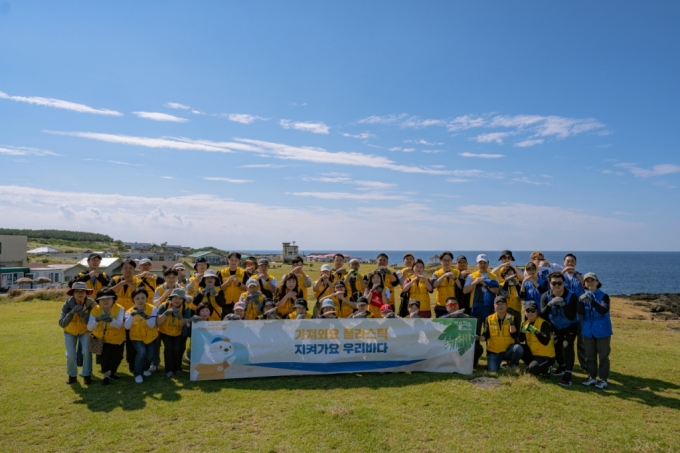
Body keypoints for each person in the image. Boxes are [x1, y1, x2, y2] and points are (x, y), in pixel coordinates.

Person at [541, 272, 579, 386]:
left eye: (559, 283)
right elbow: (542, 315)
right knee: (557, 345)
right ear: (550, 284)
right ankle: (562, 366)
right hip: (555, 325)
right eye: (554, 283)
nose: (557, 285)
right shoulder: (545, 296)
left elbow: (572, 315)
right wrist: (549, 305)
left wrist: (563, 305)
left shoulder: (571, 296)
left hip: (570, 325)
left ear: (564, 283)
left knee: (567, 345)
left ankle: (568, 374)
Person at [578, 273, 612, 390]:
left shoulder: (604, 296)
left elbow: (603, 309)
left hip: (602, 331)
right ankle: (591, 377)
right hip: (588, 331)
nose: (590, 283)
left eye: (593, 280)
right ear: (584, 284)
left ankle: (603, 380)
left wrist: (591, 301)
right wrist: (579, 302)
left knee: (603, 357)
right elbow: (581, 312)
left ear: (597, 282)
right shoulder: (583, 296)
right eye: (587, 281)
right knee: (590, 356)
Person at [59, 282, 96, 385]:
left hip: (85, 331)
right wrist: (71, 313)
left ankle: (87, 375)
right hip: (69, 331)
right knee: (70, 355)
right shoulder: (67, 304)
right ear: (73, 293)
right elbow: (62, 323)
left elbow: (94, 321)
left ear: (86, 293)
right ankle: (72, 376)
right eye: (77, 292)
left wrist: (82, 313)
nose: (80, 294)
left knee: (86, 352)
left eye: (83, 291)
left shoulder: (91, 304)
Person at [87, 289, 126, 385]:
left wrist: (110, 320)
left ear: (113, 299)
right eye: (102, 299)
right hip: (103, 339)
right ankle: (105, 376)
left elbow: (119, 325)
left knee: (118, 357)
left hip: (118, 338)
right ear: (98, 301)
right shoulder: (95, 310)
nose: (106, 301)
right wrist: (97, 319)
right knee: (105, 358)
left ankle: (112, 373)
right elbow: (89, 327)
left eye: (108, 298)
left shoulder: (119, 308)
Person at [124, 288, 158, 384]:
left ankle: (145, 368)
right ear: (133, 300)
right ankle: (138, 374)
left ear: (147, 298)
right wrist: (131, 315)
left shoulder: (152, 308)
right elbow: (127, 326)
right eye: (137, 298)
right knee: (142, 352)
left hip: (151, 336)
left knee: (150, 355)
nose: (140, 300)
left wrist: (144, 315)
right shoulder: (129, 311)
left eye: (143, 298)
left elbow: (151, 325)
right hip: (136, 337)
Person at [479, 296, 523, 372]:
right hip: (494, 351)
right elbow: (486, 335)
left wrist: (511, 324)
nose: (500, 306)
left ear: (506, 305)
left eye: (502, 304)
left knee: (518, 348)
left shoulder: (512, 318)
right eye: (498, 304)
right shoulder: (489, 318)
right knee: (493, 371)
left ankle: (512, 366)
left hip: (507, 351)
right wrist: (478, 338)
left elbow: (515, 336)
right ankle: (499, 362)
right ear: (494, 306)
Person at [157, 288, 191, 377]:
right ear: (171, 298)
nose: (177, 300)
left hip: (179, 333)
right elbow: (158, 322)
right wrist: (167, 312)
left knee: (177, 349)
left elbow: (183, 325)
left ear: (183, 300)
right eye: (175, 297)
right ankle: (169, 370)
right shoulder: (164, 306)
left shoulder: (186, 308)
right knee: (169, 349)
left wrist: (179, 316)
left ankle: (178, 368)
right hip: (165, 332)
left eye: (180, 298)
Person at [562, 253, 587, 373]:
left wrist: (576, 273)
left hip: (580, 311)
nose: (570, 264)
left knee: (581, 339)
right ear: (564, 263)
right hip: (565, 311)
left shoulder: (580, 276)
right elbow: (552, 283)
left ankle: (585, 365)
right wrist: (563, 272)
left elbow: (585, 285)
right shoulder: (561, 277)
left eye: (572, 261)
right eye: (567, 261)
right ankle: (565, 363)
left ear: (575, 263)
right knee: (566, 339)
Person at [464, 254, 500, 335]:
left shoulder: (493, 276)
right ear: (477, 264)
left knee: (490, 333)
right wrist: (474, 282)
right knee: (475, 333)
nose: (482, 265)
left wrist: (486, 284)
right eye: (480, 263)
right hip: (475, 308)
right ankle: (476, 347)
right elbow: (465, 291)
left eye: (484, 263)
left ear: (488, 263)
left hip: (489, 308)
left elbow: (497, 291)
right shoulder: (471, 276)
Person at [519, 301, 555, 377]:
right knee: (519, 348)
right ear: (524, 312)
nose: (530, 313)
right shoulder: (525, 324)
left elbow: (545, 341)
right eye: (528, 311)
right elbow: (520, 339)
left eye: (533, 311)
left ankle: (547, 368)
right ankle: (532, 365)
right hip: (534, 354)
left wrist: (536, 332)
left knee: (532, 369)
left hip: (546, 356)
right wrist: (522, 332)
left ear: (537, 312)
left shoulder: (544, 323)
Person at [432, 251, 461, 318]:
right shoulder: (436, 273)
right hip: (440, 306)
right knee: (440, 327)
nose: (447, 262)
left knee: (453, 327)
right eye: (444, 260)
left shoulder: (457, 272)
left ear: (451, 261)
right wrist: (444, 276)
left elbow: (461, 287)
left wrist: (455, 278)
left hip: (454, 306)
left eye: (449, 260)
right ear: (440, 261)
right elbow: (434, 285)